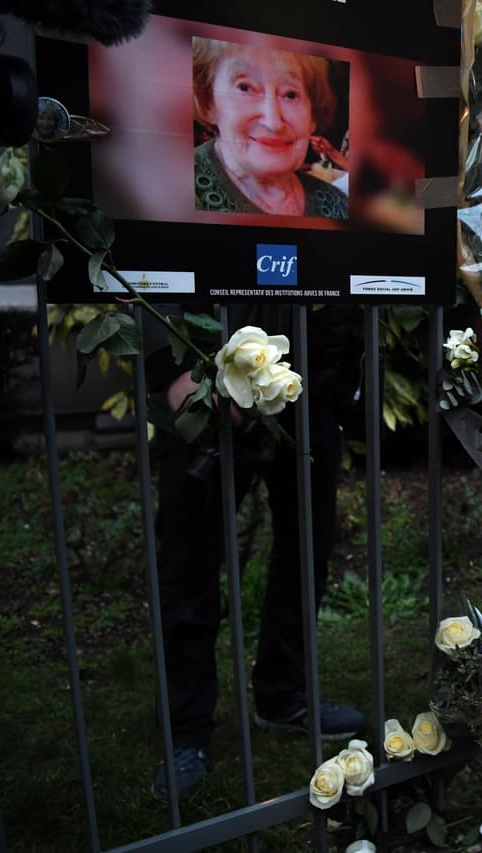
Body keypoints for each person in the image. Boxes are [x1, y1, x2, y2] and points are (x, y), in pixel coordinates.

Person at [144, 304, 365, 800]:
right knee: (189, 556)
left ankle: (283, 695)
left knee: (310, 545)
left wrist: (346, 363)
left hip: (312, 374)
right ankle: (186, 728)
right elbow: (141, 256)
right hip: (207, 366)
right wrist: (172, 368)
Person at [192, 38, 348, 219]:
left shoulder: (338, 204)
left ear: (312, 117)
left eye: (290, 94)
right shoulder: (173, 189)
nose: (273, 122)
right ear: (208, 102)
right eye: (245, 87)